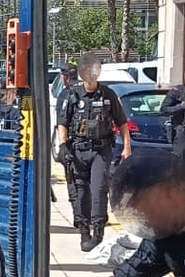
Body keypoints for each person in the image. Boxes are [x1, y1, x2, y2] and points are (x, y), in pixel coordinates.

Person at [56, 62, 132, 252]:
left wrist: (127, 147)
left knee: (99, 189)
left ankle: (98, 232)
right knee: (80, 191)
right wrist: (63, 145)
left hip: (101, 150)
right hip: (78, 150)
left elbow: (122, 122)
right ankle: (84, 231)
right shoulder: (72, 95)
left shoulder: (108, 95)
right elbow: (62, 122)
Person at [52, 62, 79, 205]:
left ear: (65, 77)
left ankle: (78, 211)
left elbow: (62, 122)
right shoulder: (84, 90)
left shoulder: (65, 94)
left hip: (71, 145)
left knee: (73, 182)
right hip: (90, 147)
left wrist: (62, 146)